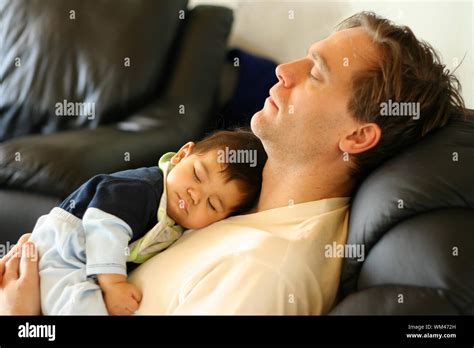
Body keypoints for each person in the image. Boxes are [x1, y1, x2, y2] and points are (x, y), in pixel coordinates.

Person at [1, 11, 466, 315]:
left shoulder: (265, 274)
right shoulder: (246, 208)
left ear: (358, 136)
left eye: (316, 72)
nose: (285, 70)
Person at [27, 129, 266, 315]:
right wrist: (113, 284)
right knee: (77, 307)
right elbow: (104, 227)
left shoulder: (178, 224)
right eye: (197, 175)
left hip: (84, 260)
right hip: (64, 245)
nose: (195, 195)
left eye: (212, 204)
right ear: (182, 154)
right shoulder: (144, 188)